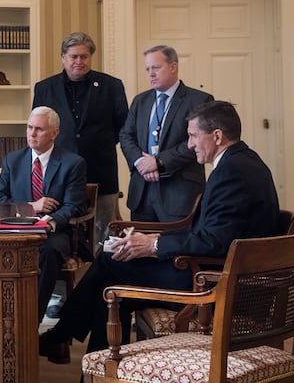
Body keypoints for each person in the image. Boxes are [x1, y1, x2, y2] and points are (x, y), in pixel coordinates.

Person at [38, 101, 280, 363]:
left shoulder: (233, 171)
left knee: (110, 262)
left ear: (217, 136)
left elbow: (215, 241)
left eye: (193, 136)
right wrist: (152, 239)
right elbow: (209, 232)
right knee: (110, 280)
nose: (189, 145)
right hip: (214, 270)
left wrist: (152, 247)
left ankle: (63, 338)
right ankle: (88, 360)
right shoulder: (242, 161)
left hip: (215, 284)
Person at [0, 107, 88, 321]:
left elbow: (75, 206)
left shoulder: (72, 163)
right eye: (29, 127)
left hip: (54, 232)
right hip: (16, 230)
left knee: (47, 252)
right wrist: (30, 207)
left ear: (54, 133)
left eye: (39, 129)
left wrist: (47, 222)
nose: (31, 134)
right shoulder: (13, 160)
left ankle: (30, 322)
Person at [32, 32, 128, 247]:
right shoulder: (44, 88)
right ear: (63, 58)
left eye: (84, 57)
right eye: (73, 56)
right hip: (58, 170)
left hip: (100, 167)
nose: (79, 62)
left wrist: (99, 143)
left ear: (90, 58)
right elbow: (39, 126)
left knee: (104, 228)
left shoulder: (111, 86)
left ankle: (103, 274)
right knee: (60, 225)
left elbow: (124, 126)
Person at [119, 45, 213, 222]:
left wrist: (158, 161)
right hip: (142, 191)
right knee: (139, 247)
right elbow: (126, 135)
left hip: (179, 193)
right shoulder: (140, 100)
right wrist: (141, 162)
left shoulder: (199, 100)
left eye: (156, 67)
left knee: (174, 247)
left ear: (173, 67)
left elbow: (199, 141)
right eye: (147, 69)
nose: (151, 74)